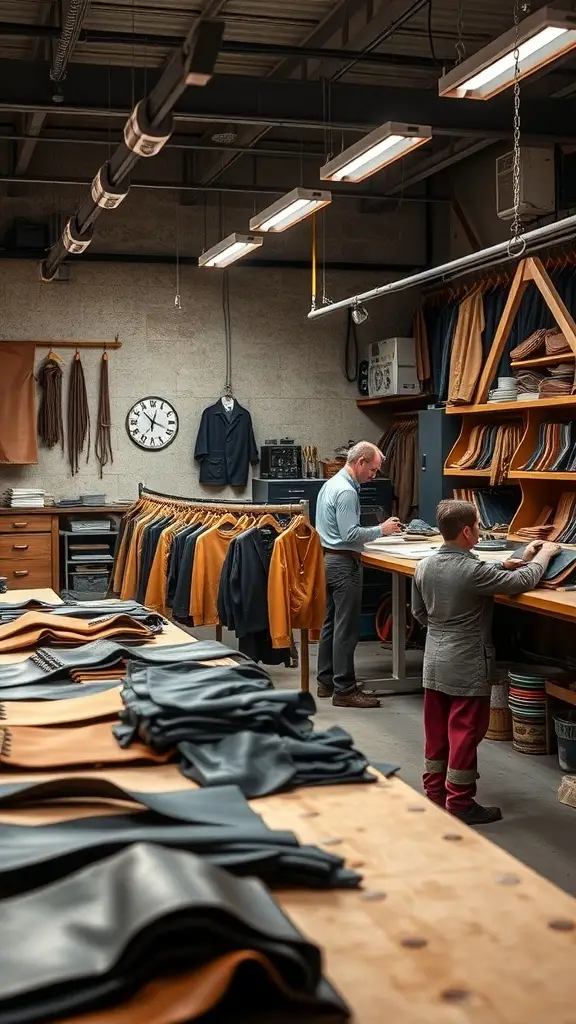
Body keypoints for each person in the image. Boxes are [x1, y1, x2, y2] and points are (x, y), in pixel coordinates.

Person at [411, 498, 560, 826]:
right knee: (465, 731)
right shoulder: (470, 571)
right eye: (478, 525)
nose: (480, 530)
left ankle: (436, 795)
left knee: (436, 731)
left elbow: (419, 612)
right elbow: (523, 582)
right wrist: (545, 556)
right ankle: (460, 802)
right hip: (466, 663)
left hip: (433, 660)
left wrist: (513, 560)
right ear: (467, 532)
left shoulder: (424, 566)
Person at [315, 441, 402, 708]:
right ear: (360, 462)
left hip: (329, 559)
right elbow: (349, 534)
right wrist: (381, 530)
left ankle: (326, 681)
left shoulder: (331, 484)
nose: (373, 476)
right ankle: (345, 690)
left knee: (331, 623)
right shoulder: (346, 492)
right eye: (373, 470)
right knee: (347, 629)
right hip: (343, 564)